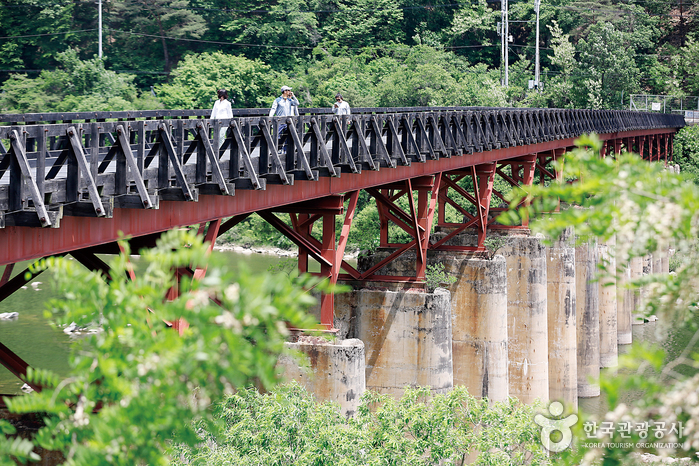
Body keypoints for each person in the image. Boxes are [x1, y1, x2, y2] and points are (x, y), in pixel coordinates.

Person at [269, 85, 299, 153]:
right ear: (284, 91)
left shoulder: (289, 100)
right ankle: (277, 150)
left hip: (287, 121)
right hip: (279, 121)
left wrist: (293, 96)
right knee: (277, 137)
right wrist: (270, 118)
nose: (290, 91)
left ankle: (285, 151)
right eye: (288, 90)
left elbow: (297, 103)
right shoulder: (277, 100)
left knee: (287, 136)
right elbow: (273, 109)